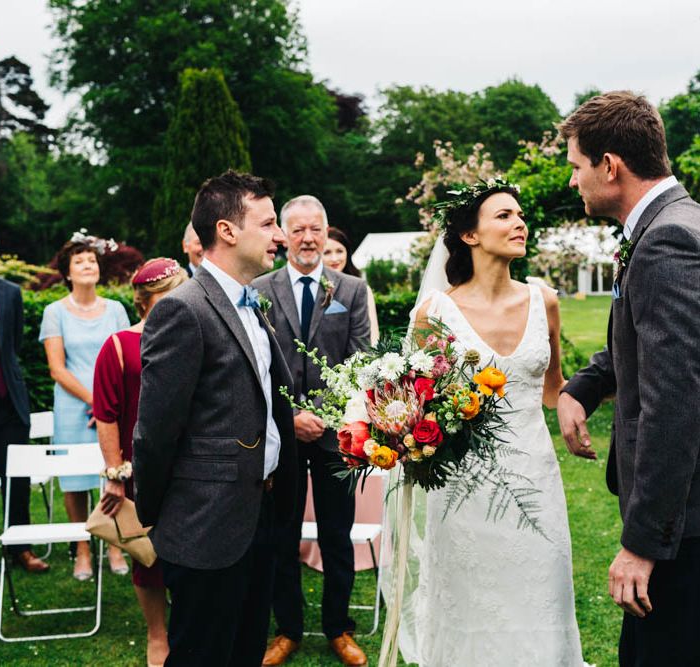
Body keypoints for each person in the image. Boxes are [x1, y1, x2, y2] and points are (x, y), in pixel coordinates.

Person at [399, 179, 585, 666]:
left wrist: (579, 404)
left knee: (538, 594)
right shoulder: (435, 313)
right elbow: (417, 403)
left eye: (520, 215)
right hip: (462, 490)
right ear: (469, 235)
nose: (519, 222)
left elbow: (552, 387)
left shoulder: (544, 300)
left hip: (535, 478)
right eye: (504, 215)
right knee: (469, 606)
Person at [557, 92, 700, 665]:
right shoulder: (670, 224)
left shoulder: (668, 241)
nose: (573, 183)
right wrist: (584, 386)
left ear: (609, 166)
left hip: (684, 529)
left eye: (575, 166)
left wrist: (643, 545)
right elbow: (637, 341)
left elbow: (677, 399)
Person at [133, 170, 297, 667]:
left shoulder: (253, 301)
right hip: (204, 525)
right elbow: (155, 431)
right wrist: (160, 515)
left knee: (245, 652)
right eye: (268, 224)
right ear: (227, 230)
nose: (281, 236)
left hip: (259, 516)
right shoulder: (183, 310)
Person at [254, 196, 371, 667]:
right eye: (298, 229)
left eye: (315, 229)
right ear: (283, 235)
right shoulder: (259, 288)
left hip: (333, 436)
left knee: (336, 536)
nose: (307, 238)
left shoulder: (351, 290)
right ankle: (287, 629)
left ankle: (339, 628)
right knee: (279, 535)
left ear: (326, 233)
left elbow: (360, 359)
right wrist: (290, 418)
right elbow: (256, 365)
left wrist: (317, 415)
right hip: (281, 438)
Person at [93, 258, 187, 667]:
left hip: (190, 470)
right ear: (144, 303)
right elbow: (107, 414)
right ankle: (157, 635)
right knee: (147, 559)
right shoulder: (119, 346)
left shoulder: (194, 340)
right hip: (140, 472)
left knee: (190, 556)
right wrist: (115, 474)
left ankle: (188, 630)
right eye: (168, 297)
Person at [39, 232, 130, 581]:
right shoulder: (53, 312)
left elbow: (126, 358)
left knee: (114, 474)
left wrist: (110, 405)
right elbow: (57, 368)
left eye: (91, 260)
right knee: (76, 481)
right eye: (79, 261)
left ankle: (117, 544)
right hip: (75, 407)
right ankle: (83, 548)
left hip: (114, 407)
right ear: (67, 272)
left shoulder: (117, 310)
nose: (87, 265)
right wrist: (96, 402)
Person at [0, 218, 48, 586]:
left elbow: (12, 345)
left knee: (16, 480)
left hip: (9, 403)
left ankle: (21, 549)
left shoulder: (9, 293)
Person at [324, 226, 379, 345]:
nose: (334, 258)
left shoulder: (361, 289)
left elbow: (373, 336)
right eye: (327, 252)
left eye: (339, 251)